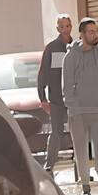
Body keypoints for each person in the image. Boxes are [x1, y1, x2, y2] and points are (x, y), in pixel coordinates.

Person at [60, 17, 98, 195]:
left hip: (97, 110)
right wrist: (73, 107)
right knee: (81, 150)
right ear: (82, 34)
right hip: (77, 112)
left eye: (96, 31)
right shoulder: (70, 57)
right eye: (91, 32)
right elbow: (66, 86)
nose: (95, 34)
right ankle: (85, 185)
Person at [34, 15, 73, 172]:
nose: (65, 29)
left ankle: (81, 170)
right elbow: (43, 73)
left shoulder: (76, 46)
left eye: (68, 25)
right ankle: (49, 166)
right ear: (58, 29)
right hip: (56, 100)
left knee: (78, 134)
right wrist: (42, 97)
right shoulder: (51, 47)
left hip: (74, 99)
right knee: (56, 133)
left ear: (71, 27)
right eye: (62, 26)